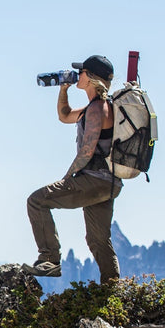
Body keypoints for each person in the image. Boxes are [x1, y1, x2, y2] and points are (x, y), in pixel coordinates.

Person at [23, 55, 121, 283]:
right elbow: (64, 115)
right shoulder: (94, 107)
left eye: (82, 72)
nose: (79, 74)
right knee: (98, 239)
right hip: (108, 183)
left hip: (95, 180)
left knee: (37, 201)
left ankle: (49, 260)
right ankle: (113, 287)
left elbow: (87, 151)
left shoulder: (99, 109)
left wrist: (67, 178)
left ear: (92, 78)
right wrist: (63, 89)